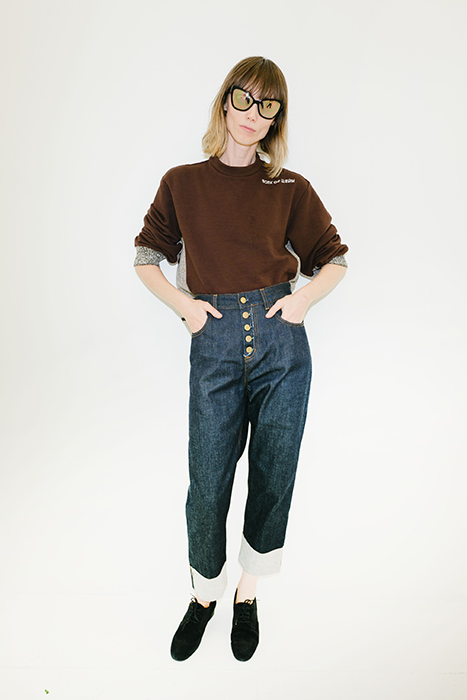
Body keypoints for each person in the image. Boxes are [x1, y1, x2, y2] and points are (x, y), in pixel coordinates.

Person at [134, 56, 348, 662]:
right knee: (208, 481)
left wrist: (301, 301)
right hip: (216, 341)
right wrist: (188, 308)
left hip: (282, 345)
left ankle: (246, 593)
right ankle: (204, 594)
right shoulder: (182, 182)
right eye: (245, 99)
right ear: (225, 101)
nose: (254, 114)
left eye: (268, 105)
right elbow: (146, 257)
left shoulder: (289, 188)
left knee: (274, 474)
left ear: (277, 117)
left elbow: (334, 258)